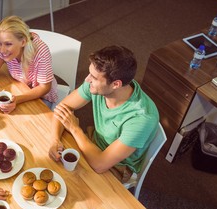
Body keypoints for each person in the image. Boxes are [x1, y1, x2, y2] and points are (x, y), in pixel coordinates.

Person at [49, 46, 159, 183]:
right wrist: (55, 140)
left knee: (68, 185)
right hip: (93, 142)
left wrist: (75, 129)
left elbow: (100, 165)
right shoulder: (98, 86)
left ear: (116, 84)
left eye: (94, 77)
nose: (87, 80)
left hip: (116, 166)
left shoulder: (141, 119)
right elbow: (62, 108)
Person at [0, 15, 58, 113]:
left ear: (23, 42)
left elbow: (45, 87)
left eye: (8, 44)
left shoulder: (41, 51)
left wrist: (17, 100)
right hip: (20, 87)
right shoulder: (2, 48)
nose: (2, 50)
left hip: (42, 96)